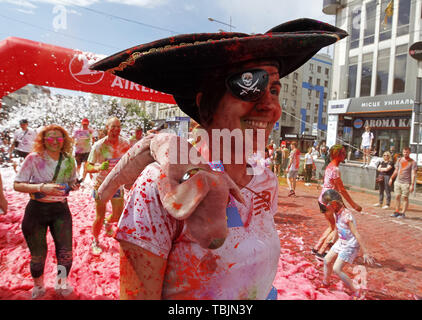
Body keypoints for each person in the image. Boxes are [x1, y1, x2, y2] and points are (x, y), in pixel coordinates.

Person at [90, 18, 346, 299]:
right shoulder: (160, 185)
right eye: (248, 85)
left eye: (273, 89)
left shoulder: (266, 181)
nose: (268, 105)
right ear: (204, 103)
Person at [13, 125, 78, 299]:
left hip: (60, 211)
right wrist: (42, 187)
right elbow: (17, 184)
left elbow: (71, 182)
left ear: (65, 140)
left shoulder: (70, 160)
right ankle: (39, 286)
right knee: (38, 255)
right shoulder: (33, 158)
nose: (55, 141)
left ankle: (61, 284)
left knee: (65, 253)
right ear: (43, 140)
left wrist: (73, 186)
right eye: (50, 138)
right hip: (36, 211)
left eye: (59, 138)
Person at [86, 117, 131, 255]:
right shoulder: (99, 146)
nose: (116, 130)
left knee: (117, 215)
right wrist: (99, 167)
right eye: (113, 127)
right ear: (107, 127)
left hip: (117, 184)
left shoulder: (125, 143)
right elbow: (88, 166)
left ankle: (107, 223)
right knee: (99, 216)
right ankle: (95, 240)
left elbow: (130, 160)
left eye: (118, 127)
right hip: (101, 185)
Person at [321, 189, 374, 299]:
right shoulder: (336, 213)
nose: (325, 208)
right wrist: (332, 241)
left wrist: (365, 252)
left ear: (334, 204)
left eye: (326, 205)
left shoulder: (346, 215)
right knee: (326, 260)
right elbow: (338, 229)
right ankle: (326, 283)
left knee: (337, 269)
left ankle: (356, 291)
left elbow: (356, 233)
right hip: (341, 242)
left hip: (350, 245)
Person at [312, 145, 362, 260]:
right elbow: (341, 189)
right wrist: (353, 205)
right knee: (337, 228)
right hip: (329, 199)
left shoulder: (330, 166)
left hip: (323, 198)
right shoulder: (335, 168)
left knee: (332, 225)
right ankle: (322, 252)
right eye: (343, 153)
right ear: (338, 154)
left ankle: (317, 248)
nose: (345, 155)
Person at [389, 147, 417, 218]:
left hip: (406, 182)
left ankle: (403, 213)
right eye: (404, 152)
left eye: (407, 152)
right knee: (397, 196)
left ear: (409, 152)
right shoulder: (399, 160)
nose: (405, 153)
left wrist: (412, 184)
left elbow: (413, 173)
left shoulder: (412, 162)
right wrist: (391, 178)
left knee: (405, 197)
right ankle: (397, 211)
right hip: (398, 181)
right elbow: (396, 170)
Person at [72, 118, 94, 183]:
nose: (85, 126)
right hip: (78, 151)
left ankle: (83, 180)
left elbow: (93, 139)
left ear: (88, 124)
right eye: (84, 124)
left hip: (87, 151)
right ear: (82, 124)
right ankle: (77, 177)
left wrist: (92, 144)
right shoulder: (78, 131)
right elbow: (72, 138)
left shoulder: (90, 131)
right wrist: (74, 143)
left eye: (86, 124)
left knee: (86, 165)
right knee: (78, 165)